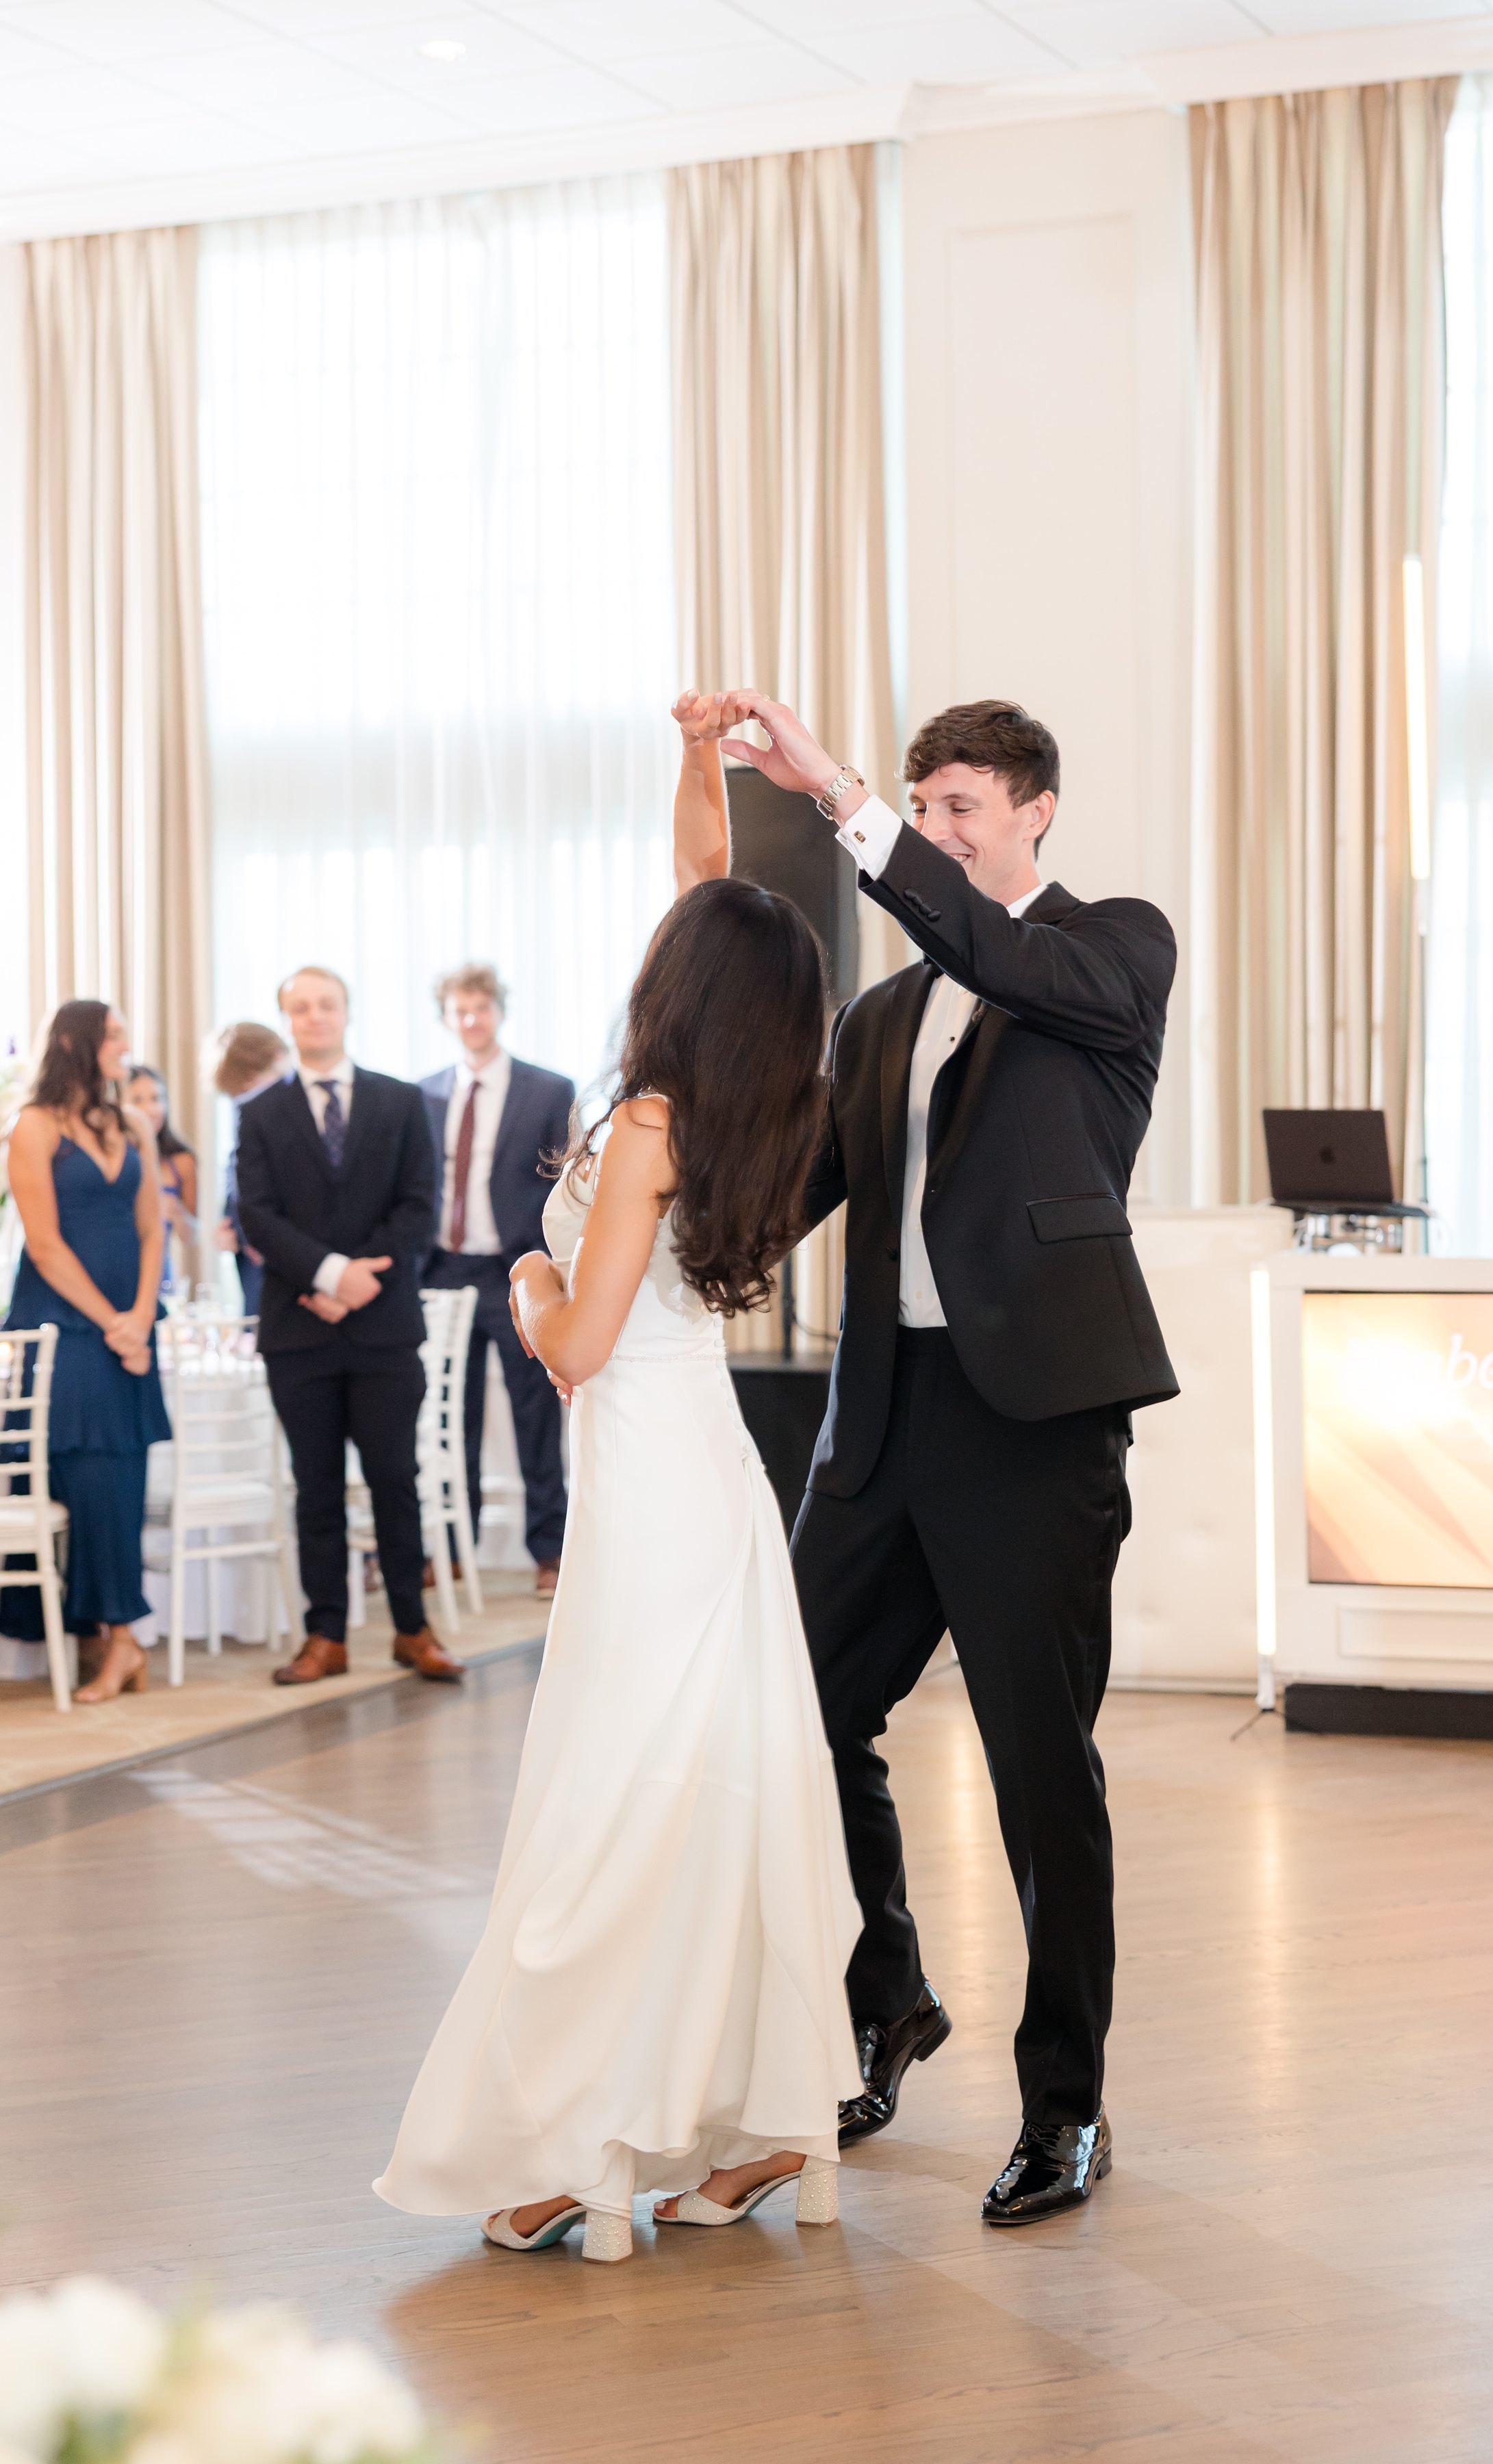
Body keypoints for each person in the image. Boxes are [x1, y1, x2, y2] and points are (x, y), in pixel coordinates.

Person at [374, 694, 861, 2266]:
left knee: (612, 1818)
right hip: (701, 1482)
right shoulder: (757, 1102)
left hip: (647, 1486)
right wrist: (695, 756)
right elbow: (706, 882)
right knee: (708, 1802)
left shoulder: (648, 1118)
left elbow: (575, 1346)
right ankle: (752, 2119)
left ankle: (585, 2143)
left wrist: (523, 1271)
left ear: (680, 986)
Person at [716, 690, 1179, 2231]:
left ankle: (1068, 2109)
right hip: (881, 1425)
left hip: (1033, 1428)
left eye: (962, 805)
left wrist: (837, 796)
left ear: (1037, 807)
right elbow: (788, 1204)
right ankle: (890, 1995)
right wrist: (633, 1236)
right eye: (923, 808)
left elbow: (999, 950)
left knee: (1042, 1771)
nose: (938, 830)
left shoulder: (1109, 954)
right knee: (806, 1728)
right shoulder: (880, 1020)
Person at [233, 966, 459, 1687]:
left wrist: (361, 1281)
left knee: (396, 1479)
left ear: (346, 1013)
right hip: (299, 1330)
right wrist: (330, 1276)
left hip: (384, 1327)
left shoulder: (400, 1101)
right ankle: (324, 1635)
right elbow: (256, 1214)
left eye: (325, 1004)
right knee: (316, 1485)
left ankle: (411, 1628)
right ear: (286, 1019)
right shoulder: (261, 1112)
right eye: (300, 1008)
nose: (315, 1017)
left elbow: (420, 1205)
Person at [0, 1001, 171, 1704]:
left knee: (122, 1478)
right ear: (77, 1043)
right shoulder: (32, 1127)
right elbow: (42, 1244)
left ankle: (120, 1638)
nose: (125, 1047)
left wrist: (139, 1317)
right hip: (63, 1329)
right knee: (81, 1476)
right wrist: (113, 1324)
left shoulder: (130, 1125)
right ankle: (109, 1636)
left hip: (128, 1327)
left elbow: (154, 1230)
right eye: (115, 1036)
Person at [419, 967, 575, 1599]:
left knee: (533, 1414)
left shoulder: (546, 1089)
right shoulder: (422, 1094)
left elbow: (563, 1183)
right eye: (460, 1010)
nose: (471, 1020)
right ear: (447, 1017)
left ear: (498, 1012)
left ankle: (550, 1553)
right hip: (443, 1270)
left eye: (481, 1008)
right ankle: (455, 1551)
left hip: (513, 1267)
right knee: (451, 1415)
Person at [208, 1022, 290, 1319]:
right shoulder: (245, 1111)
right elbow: (238, 1171)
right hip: (251, 1253)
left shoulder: (295, 1108)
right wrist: (229, 1221)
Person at [124, 1065, 198, 1296]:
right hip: (113, 1272)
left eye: (157, 1099)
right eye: (137, 1100)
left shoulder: (182, 1161)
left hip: (159, 1279)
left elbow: (193, 1235)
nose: (150, 1109)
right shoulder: (110, 1159)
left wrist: (175, 1211)